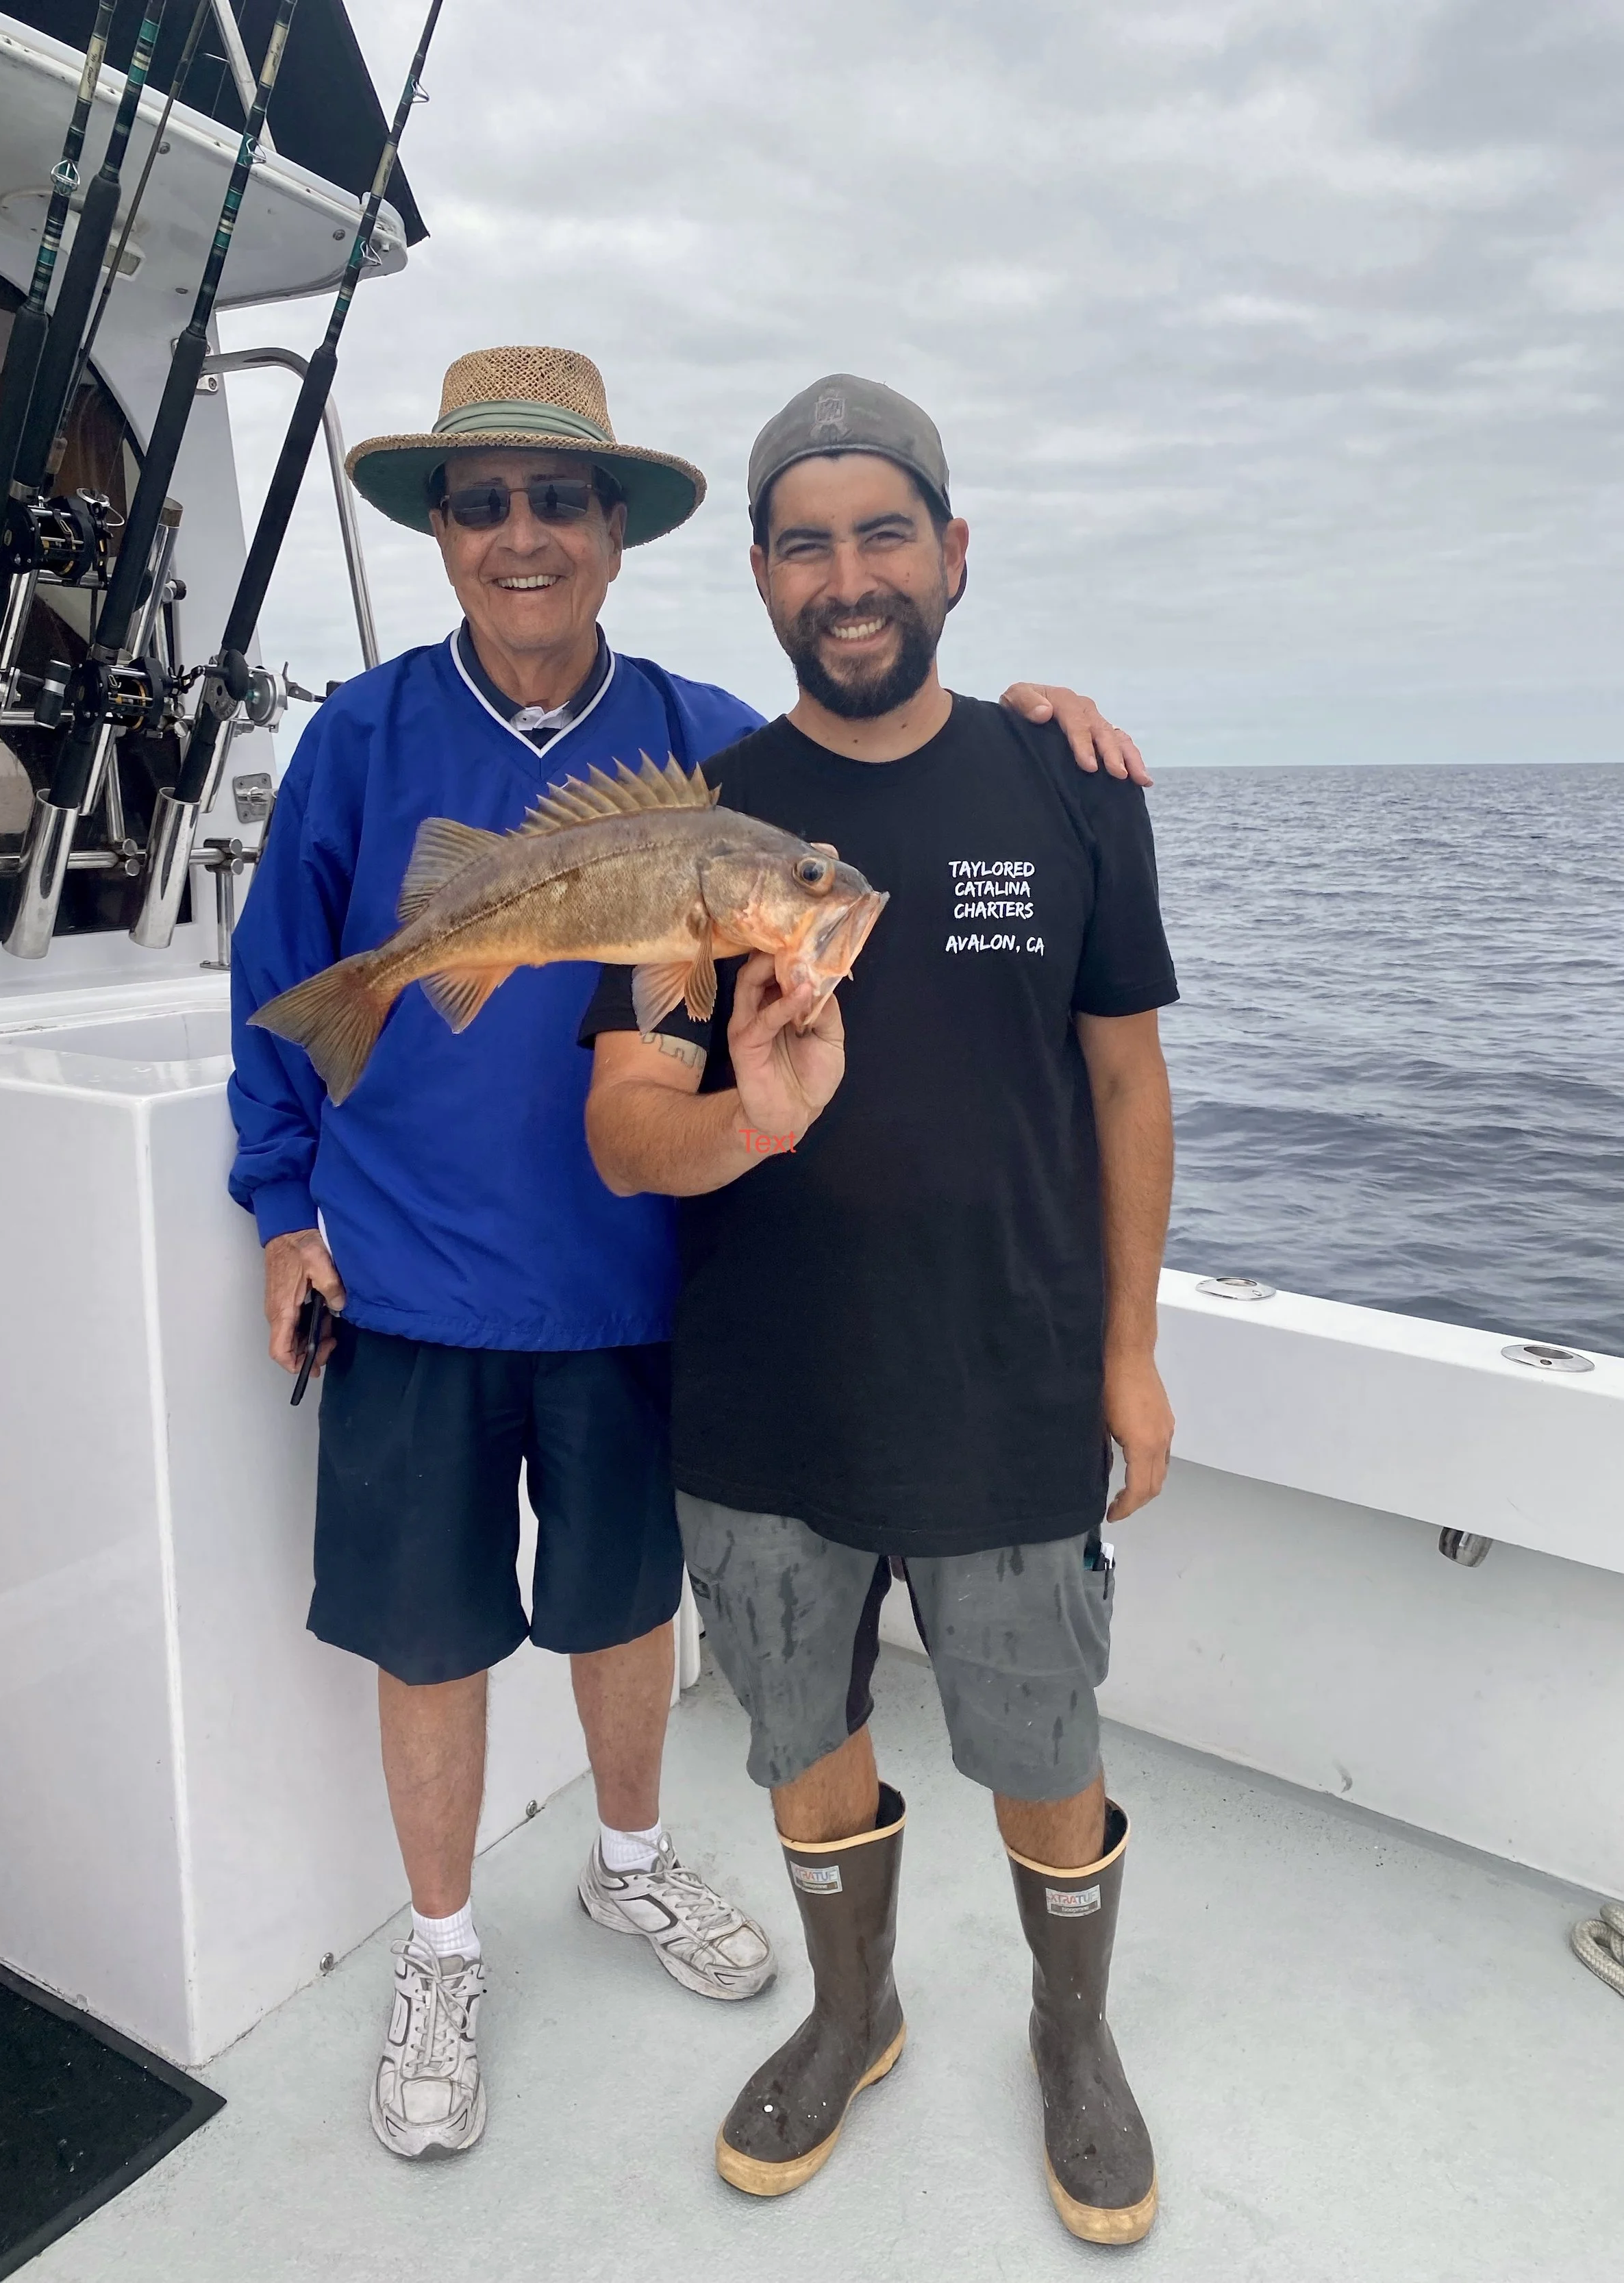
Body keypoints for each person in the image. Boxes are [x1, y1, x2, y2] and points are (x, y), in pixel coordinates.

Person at [227, 343, 1151, 2163]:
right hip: (406, 1278)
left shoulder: (697, 739)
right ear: (436, 531)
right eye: (479, 500)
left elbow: (858, 759)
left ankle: (631, 1864)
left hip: (643, 1294)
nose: (519, 532)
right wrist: (281, 1209)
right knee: (429, 1634)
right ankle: (436, 1946)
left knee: (621, 1607)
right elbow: (281, 998)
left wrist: (1035, 724)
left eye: (555, 498)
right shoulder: (357, 735)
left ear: (613, 532)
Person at [583, 374, 1177, 2243]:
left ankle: (1068, 2041)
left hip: (1007, 1375)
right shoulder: (702, 820)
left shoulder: (1064, 779)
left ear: (952, 551)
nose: (846, 577)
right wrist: (745, 1120)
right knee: (798, 1723)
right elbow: (619, 1130)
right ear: (758, 574)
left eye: (882, 533)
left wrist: (1130, 1350)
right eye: (803, 541)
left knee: (1040, 1736)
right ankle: (856, 2011)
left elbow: (1124, 1087)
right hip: (765, 1389)